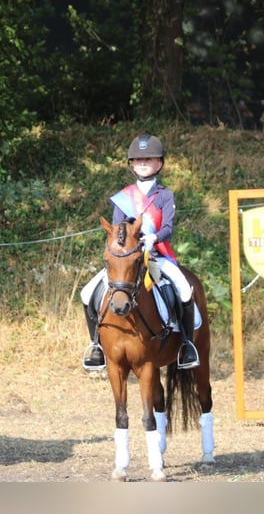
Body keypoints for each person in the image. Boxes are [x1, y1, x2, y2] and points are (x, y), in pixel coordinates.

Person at [80, 133, 199, 371]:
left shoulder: (165, 195)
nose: (143, 163)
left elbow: (168, 227)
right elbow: (117, 230)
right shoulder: (123, 198)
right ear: (132, 164)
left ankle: (186, 344)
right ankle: (97, 345)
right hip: (127, 260)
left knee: (184, 289)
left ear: (160, 164)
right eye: (138, 159)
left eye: (149, 159)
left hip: (156, 255)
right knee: (86, 293)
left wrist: (154, 237)